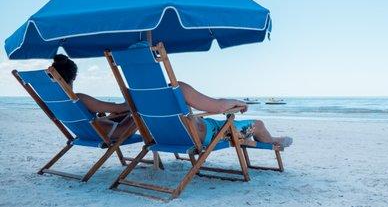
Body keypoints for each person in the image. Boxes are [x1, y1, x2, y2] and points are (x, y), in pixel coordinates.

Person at [51, 54, 293, 148]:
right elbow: (219, 106)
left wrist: (129, 107)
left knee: (236, 132)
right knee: (258, 123)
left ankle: (247, 140)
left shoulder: (138, 96)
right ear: (159, 63)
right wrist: (238, 103)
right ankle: (272, 141)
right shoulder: (179, 89)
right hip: (203, 135)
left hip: (165, 137)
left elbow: (117, 110)